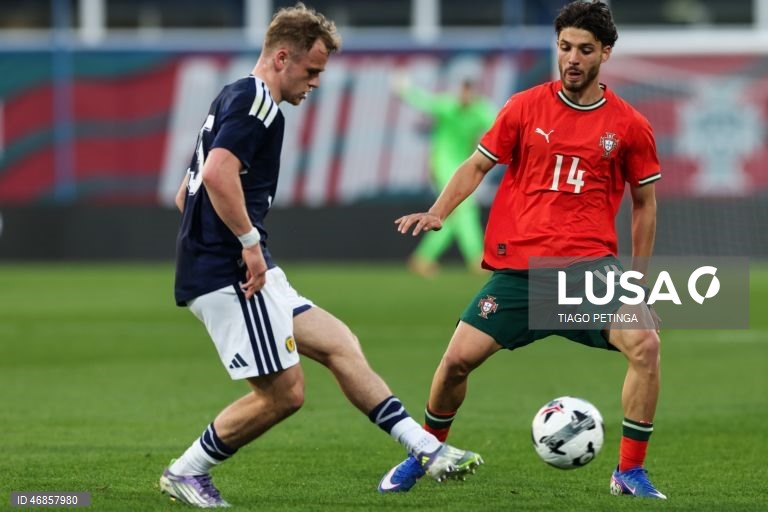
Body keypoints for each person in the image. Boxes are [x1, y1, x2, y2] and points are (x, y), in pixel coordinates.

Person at [160, 3, 482, 508]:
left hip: (231, 264)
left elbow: (187, 193)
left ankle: (425, 448)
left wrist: (228, 242)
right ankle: (186, 471)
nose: (315, 83)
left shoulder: (233, 95)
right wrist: (245, 247)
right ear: (282, 57)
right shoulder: (258, 102)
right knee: (284, 395)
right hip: (232, 273)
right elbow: (219, 174)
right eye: (311, 71)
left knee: (338, 342)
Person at [378, 0, 666, 500]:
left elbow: (645, 204)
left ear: (606, 54)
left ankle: (629, 472)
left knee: (645, 345)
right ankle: (425, 454)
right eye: (564, 47)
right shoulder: (523, 107)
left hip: (586, 273)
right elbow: (474, 165)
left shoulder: (629, 125)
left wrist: (637, 282)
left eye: (584, 49)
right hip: (520, 273)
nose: (572, 58)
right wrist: (439, 211)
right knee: (453, 365)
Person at [392, 76, 496, 277]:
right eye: (462, 91)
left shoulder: (480, 110)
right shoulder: (448, 106)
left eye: (468, 92)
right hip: (443, 164)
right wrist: (404, 89)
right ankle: (477, 258)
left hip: (464, 163)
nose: (464, 96)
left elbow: (500, 122)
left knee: (452, 214)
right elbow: (424, 102)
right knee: (466, 207)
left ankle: (423, 258)